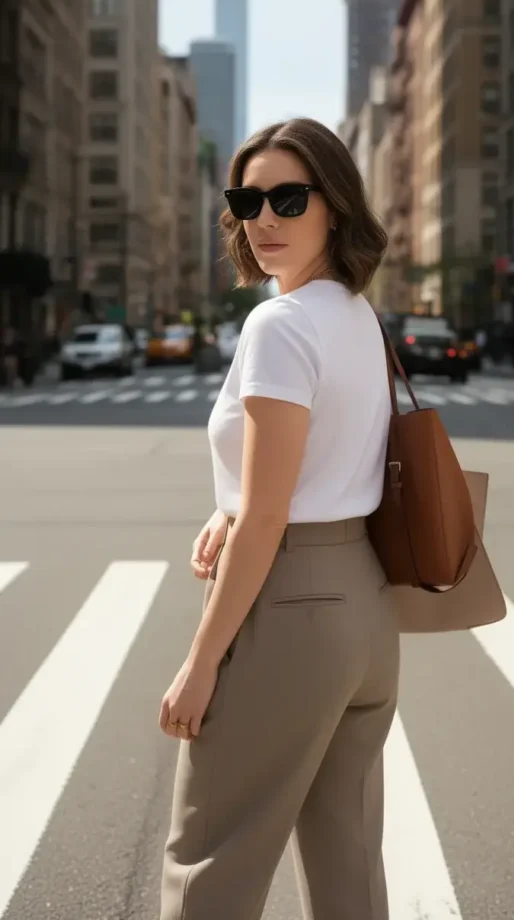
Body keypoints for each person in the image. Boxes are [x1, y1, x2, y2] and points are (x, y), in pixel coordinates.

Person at [159, 117, 399, 920]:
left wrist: (201, 662)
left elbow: (268, 518)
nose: (262, 220)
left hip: (288, 605)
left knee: (211, 857)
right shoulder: (355, 315)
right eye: (247, 200)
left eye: (287, 199)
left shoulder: (280, 323)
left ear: (333, 205)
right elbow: (317, 464)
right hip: (362, 607)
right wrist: (226, 506)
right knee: (348, 862)